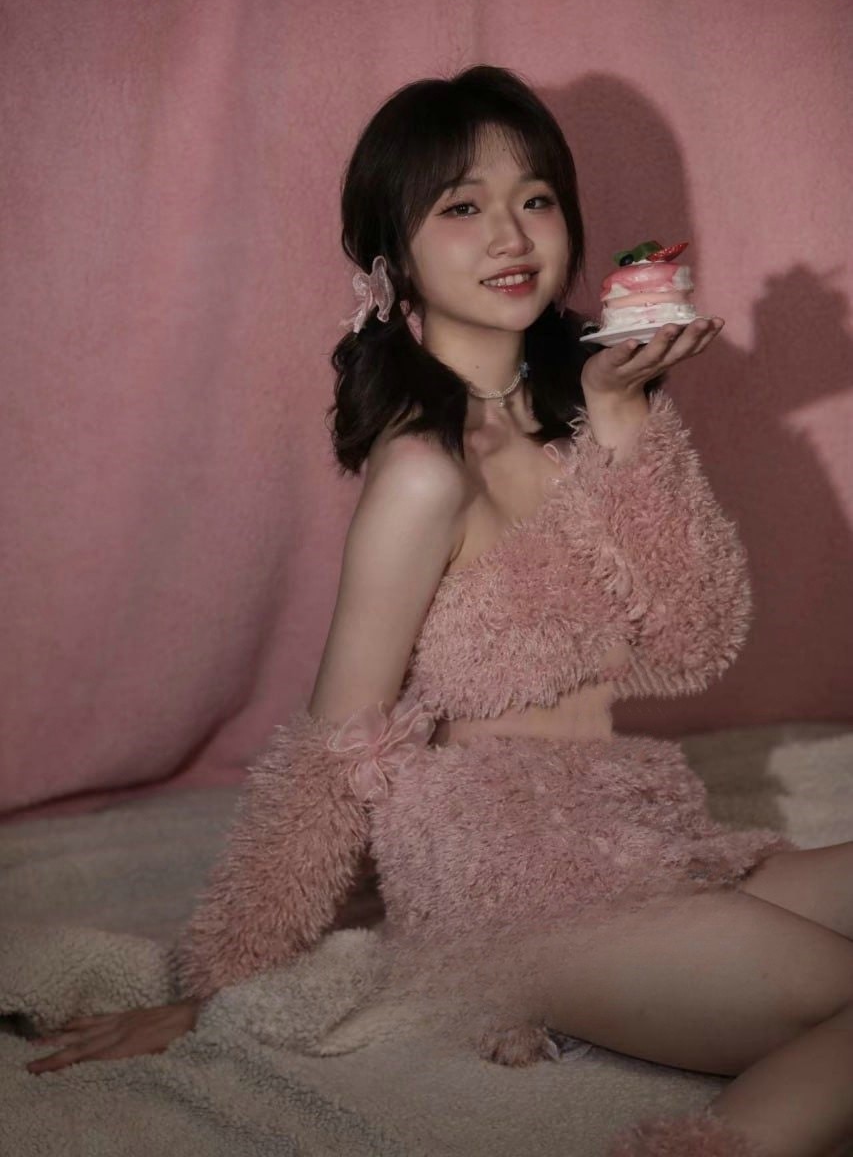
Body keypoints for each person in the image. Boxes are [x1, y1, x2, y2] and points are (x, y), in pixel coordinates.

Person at [26, 67, 853, 1157]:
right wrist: (215, 984)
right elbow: (336, 744)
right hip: (513, 883)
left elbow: (692, 637)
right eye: (461, 206)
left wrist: (623, 422)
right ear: (393, 255)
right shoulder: (422, 470)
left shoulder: (586, 415)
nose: (510, 235)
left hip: (638, 826)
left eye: (534, 198)